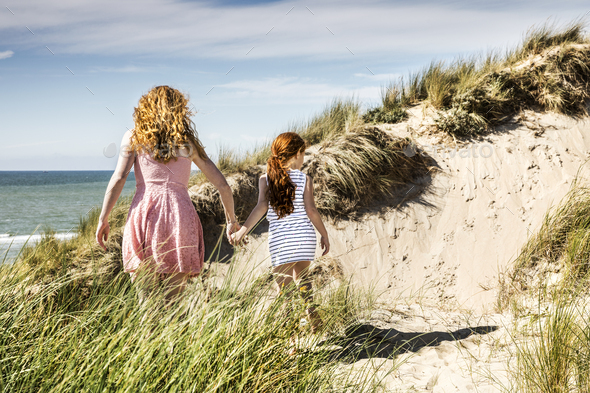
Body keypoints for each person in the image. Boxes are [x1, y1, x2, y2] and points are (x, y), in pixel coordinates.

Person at [96, 85, 239, 304]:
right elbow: (223, 185)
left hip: (145, 215)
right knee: (174, 308)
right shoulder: (187, 142)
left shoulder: (133, 137)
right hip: (179, 216)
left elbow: (119, 178)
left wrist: (103, 218)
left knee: (148, 308)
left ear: (146, 108)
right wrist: (231, 221)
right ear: (179, 110)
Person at [232, 132, 330, 332]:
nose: (304, 159)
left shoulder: (266, 179)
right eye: (304, 154)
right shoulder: (305, 179)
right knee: (303, 280)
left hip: (281, 242)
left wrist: (242, 231)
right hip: (304, 238)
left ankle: (292, 341)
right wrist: (324, 234)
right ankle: (312, 316)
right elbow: (311, 210)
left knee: (284, 293)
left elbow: (261, 207)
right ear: (296, 154)